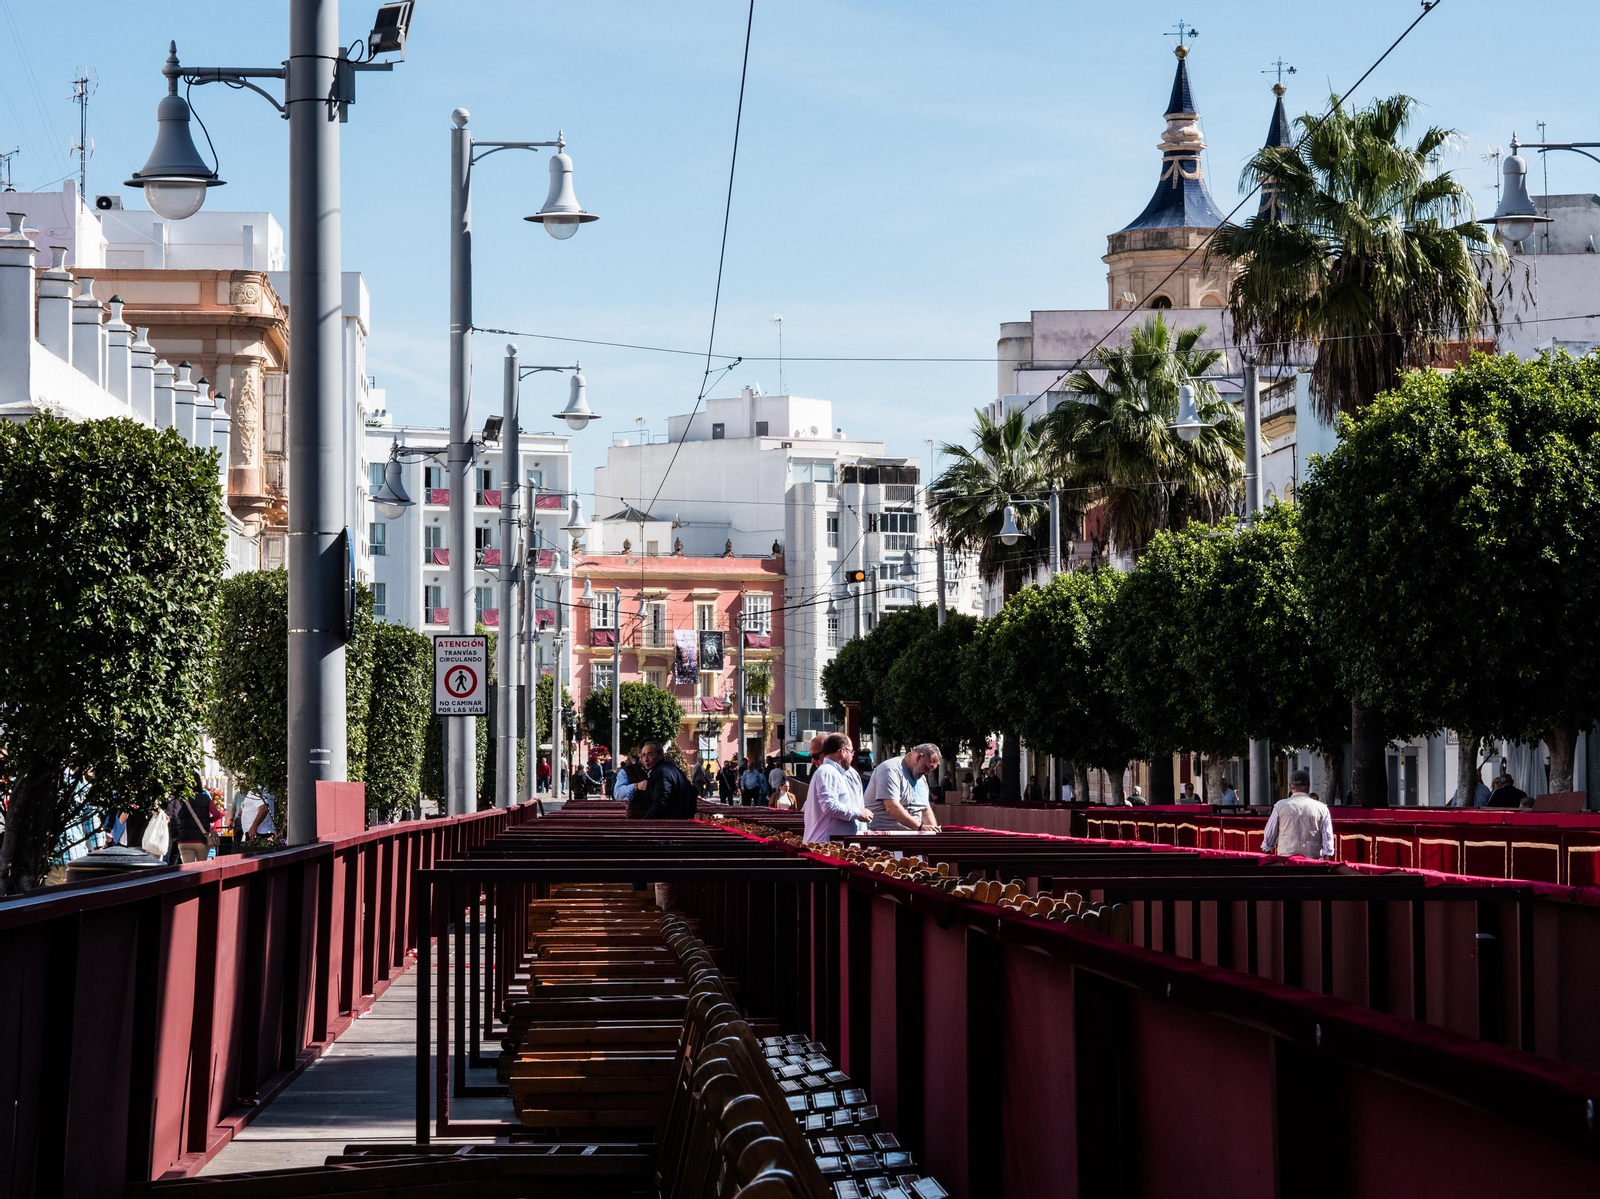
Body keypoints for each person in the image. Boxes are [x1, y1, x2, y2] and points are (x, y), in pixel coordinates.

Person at [802, 734, 868, 843]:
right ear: (842, 751)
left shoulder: (834, 772)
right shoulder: (827, 772)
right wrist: (859, 813)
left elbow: (853, 804)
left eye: (815, 756)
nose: (812, 761)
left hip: (832, 843)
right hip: (828, 845)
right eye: (851, 752)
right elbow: (829, 806)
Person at [863, 743, 942, 832]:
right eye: (927, 767)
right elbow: (892, 807)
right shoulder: (890, 770)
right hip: (884, 834)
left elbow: (925, 809)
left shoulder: (921, 778)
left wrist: (933, 832)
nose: (927, 772)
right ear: (919, 757)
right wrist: (920, 827)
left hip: (911, 835)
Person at [1261, 768, 1334, 859]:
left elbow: (1268, 838)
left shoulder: (1280, 806)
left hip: (1286, 861)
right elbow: (1328, 842)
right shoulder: (1322, 808)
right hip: (1312, 862)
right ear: (1308, 786)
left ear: (1290, 786)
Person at [169, 772, 219, 864]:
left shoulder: (181, 799)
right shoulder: (205, 798)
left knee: (188, 868)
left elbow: (175, 815)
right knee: (201, 868)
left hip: (184, 840)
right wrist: (208, 820)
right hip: (201, 840)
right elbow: (217, 814)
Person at [640, 740, 696, 820]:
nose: (646, 759)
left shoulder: (661, 773)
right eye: (643, 755)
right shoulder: (670, 768)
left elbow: (660, 803)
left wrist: (646, 821)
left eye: (650, 755)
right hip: (680, 820)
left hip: (668, 823)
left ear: (661, 755)